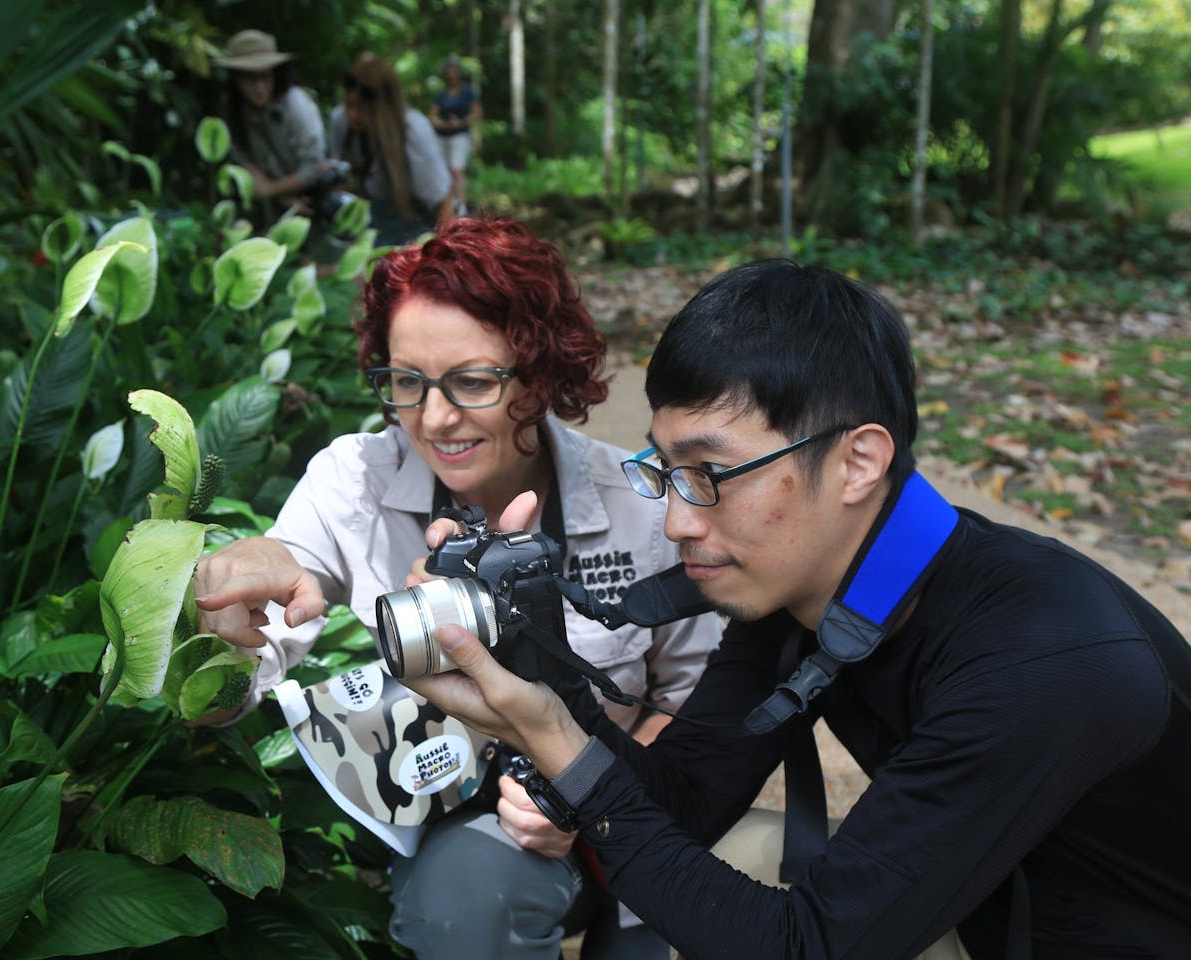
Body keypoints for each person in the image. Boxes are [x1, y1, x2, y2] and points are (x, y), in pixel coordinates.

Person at [403, 260, 1191, 959]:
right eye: (667, 470)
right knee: (728, 857)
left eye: (712, 471)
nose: (678, 520)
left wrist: (556, 742)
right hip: (985, 919)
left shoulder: (1040, 660)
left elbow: (806, 944)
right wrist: (545, 677)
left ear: (858, 462)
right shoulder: (813, 587)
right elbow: (686, 800)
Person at [193, 217, 722, 959]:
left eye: (472, 381)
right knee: (470, 893)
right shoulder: (356, 481)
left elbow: (694, 707)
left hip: (617, 811)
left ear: (539, 375)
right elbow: (262, 631)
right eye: (406, 382)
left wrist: (594, 794)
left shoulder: (637, 506)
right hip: (443, 822)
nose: (435, 419)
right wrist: (224, 615)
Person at [328, 55, 455, 245]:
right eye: (350, 105)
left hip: (420, 222)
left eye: (363, 108)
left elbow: (443, 203)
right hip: (377, 219)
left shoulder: (413, 131)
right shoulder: (342, 122)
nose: (353, 115)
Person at [213, 30, 335, 217]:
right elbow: (241, 159)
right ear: (236, 79)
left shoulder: (296, 104)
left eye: (265, 77)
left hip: (314, 201)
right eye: (250, 79)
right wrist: (281, 197)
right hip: (271, 209)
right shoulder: (232, 110)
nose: (260, 87)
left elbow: (313, 167)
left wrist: (270, 190)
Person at [429, 55, 482, 215]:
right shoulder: (441, 94)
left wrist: (461, 122)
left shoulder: (468, 92)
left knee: (457, 169)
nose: (451, 72)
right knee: (444, 171)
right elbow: (432, 116)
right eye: (449, 69)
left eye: (454, 69)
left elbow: (477, 113)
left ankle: (461, 205)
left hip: (460, 135)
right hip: (442, 136)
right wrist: (441, 123)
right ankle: (448, 203)